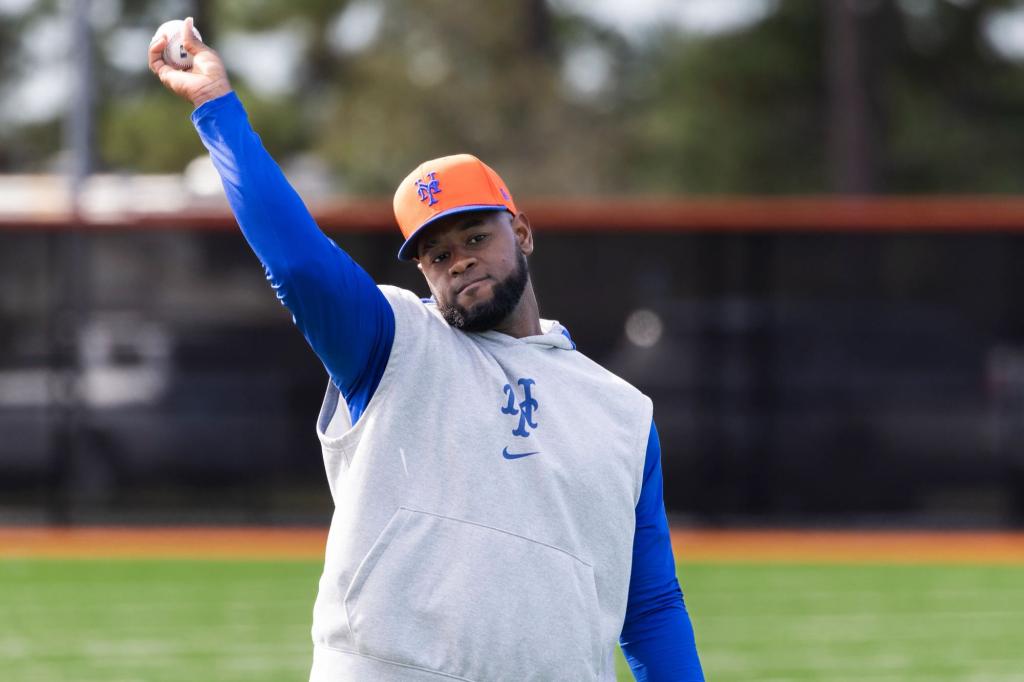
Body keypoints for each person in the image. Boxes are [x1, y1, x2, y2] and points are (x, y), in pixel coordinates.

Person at [149, 17, 703, 682]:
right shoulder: (392, 343)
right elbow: (297, 264)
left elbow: (650, 607)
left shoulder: (622, 412)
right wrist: (215, 104)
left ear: (522, 233)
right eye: (436, 254)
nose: (459, 260)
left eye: (476, 237)